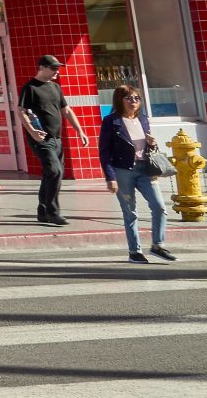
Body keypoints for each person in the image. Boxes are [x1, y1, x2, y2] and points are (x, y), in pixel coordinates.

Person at [98, 83, 174, 264]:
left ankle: (158, 245)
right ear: (119, 100)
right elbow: (104, 151)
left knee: (160, 207)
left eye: (136, 98)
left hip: (144, 169)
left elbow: (148, 147)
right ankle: (134, 251)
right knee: (130, 212)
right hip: (123, 171)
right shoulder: (111, 122)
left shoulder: (143, 119)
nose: (133, 101)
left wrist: (153, 143)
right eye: (129, 98)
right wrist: (110, 177)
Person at [20, 53, 85, 227]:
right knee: (55, 171)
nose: (57, 71)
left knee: (51, 174)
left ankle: (42, 210)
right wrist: (32, 131)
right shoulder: (30, 88)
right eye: (53, 68)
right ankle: (53, 211)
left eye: (58, 68)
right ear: (41, 68)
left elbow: (67, 111)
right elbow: (22, 111)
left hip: (57, 138)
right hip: (41, 139)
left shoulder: (56, 88)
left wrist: (79, 130)